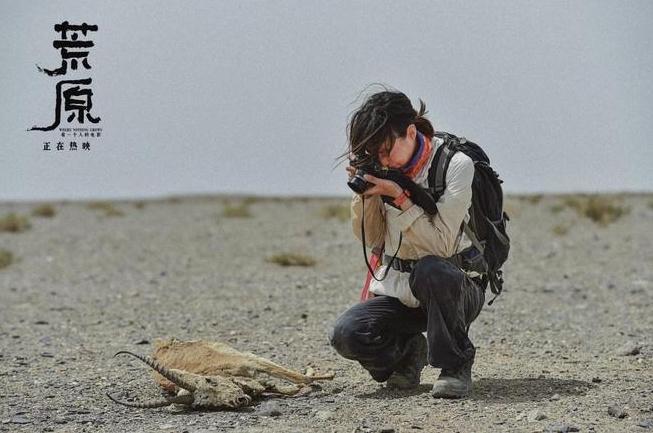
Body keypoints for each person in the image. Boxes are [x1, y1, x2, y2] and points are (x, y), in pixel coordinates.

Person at [328, 88, 487, 398]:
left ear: (410, 132)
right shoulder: (380, 168)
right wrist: (368, 197)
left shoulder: (455, 165)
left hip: (453, 290)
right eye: (375, 153)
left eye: (387, 150)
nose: (383, 160)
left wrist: (400, 198)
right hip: (398, 290)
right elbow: (371, 238)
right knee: (345, 335)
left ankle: (455, 364)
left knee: (432, 270)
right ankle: (407, 352)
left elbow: (441, 246)